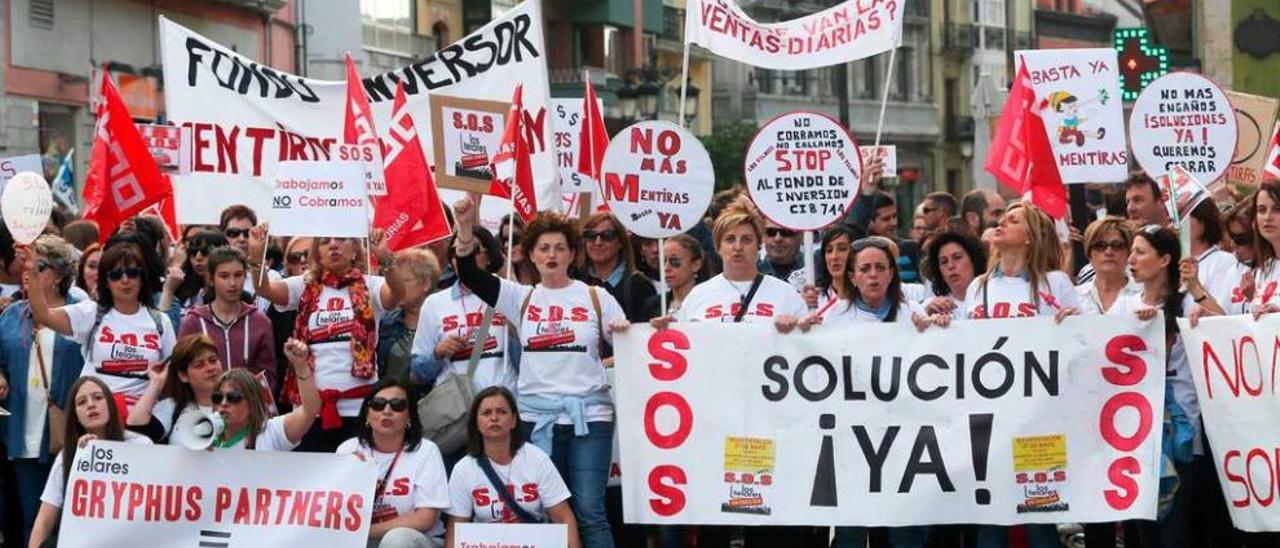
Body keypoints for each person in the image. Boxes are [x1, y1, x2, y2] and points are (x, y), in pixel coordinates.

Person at [452, 193, 625, 548]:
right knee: (546, 512)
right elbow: (470, 274)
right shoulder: (521, 297)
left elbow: (631, 342)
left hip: (589, 417)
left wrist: (639, 331)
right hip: (535, 419)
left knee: (590, 510)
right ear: (530, 254)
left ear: (572, 255)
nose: (551, 255)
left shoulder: (596, 296)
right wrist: (466, 229)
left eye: (560, 248)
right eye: (543, 247)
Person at [951, 202, 1078, 548]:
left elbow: (1082, 344)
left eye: (1014, 220)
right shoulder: (979, 286)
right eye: (1002, 218)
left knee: (1039, 520)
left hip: (1038, 422)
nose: (1002, 222)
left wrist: (1074, 324)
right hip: (987, 421)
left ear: (1029, 238)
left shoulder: (1055, 283)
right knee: (991, 523)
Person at [1108, 225, 1224, 548]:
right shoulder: (1123, 305)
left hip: (1181, 437)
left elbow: (1227, 328)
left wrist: (1197, 289)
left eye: (1140, 252)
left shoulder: (1186, 304)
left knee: (1175, 530)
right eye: (1131, 251)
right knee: (1146, 532)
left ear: (1164, 260)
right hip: (1135, 434)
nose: (1131, 259)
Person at [249, 227, 404, 452]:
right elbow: (263, 288)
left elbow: (397, 294)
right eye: (325, 241)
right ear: (316, 252)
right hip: (310, 409)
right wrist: (256, 255)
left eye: (341, 238)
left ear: (355, 250)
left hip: (359, 407)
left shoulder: (371, 284)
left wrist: (385, 257)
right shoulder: (303, 285)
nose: (333, 244)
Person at [25, 240, 176, 416]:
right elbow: (44, 315)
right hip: (95, 416)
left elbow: (171, 377)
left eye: (133, 273)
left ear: (142, 279)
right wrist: (33, 272)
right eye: (116, 275)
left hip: (140, 420)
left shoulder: (161, 322)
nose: (125, 280)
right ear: (106, 281)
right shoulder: (92, 313)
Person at [0, 235, 84, 546]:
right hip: (23, 435)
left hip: (69, 435)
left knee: (69, 525)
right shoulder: (11, 315)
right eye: (25, 262)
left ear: (61, 275)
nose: (28, 269)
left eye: (40, 265)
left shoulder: (82, 314)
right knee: (31, 523)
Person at [445, 386, 579, 548]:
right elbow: (456, 527)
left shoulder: (537, 460)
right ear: (476, 423)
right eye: (486, 413)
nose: (494, 418)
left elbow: (564, 518)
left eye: (501, 412)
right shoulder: (463, 469)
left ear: (514, 420)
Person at [28, 377, 153, 548]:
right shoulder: (69, 455)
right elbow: (44, 521)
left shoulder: (141, 445)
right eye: (81, 402)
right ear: (76, 416)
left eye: (98, 398)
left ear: (110, 403)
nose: (91, 405)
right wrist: (84, 460)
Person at [655, 197, 809, 331]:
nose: (738, 247)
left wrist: (796, 329)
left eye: (747, 239)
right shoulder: (697, 296)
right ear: (718, 246)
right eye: (730, 239)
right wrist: (663, 330)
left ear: (759, 245)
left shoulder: (786, 295)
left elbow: (808, 344)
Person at [337, 378, 450, 548]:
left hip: (413, 540)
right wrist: (349, 473)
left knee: (396, 540)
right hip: (359, 540)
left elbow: (425, 518)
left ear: (409, 416)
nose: (387, 411)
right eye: (378, 404)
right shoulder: (348, 449)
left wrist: (365, 531)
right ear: (367, 413)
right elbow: (333, 510)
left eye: (397, 405)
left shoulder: (426, 451)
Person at [413, 226, 517, 397]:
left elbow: (530, 364)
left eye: (473, 250)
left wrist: (515, 331)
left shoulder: (509, 294)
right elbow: (418, 373)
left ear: (489, 256)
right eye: (456, 251)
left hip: (501, 407)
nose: (463, 256)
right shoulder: (434, 304)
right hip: (456, 411)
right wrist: (437, 353)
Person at [177, 246, 277, 392]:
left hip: (248, 408)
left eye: (238, 275)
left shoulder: (260, 321)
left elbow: (269, 376)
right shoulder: (193, 322)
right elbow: (183, 371)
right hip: (205, 408)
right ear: (211, 279)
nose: (232, 283)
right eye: (224, 276)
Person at [210, 338, 319, 451]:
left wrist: (300, 366)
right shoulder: (205, 436)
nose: (223, 403)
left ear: (252, 402)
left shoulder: (272, 432)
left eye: (232, 397)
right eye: (218, 398)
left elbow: (309, 411)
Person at [126, 334, 224, 442]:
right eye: (199, 365)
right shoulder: (173, 407)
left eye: (213, 360)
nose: (210, 368)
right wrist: (156, 383)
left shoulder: (240, 403)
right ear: (183, 376)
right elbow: (136, 431)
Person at [377, 249, 440, 388]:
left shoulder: (444, 319)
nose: (395, 287)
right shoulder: (386, 322)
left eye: (403, 280)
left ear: (426, 283)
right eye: (393, 281)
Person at [579, 212, 657, 322]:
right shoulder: (575, 280)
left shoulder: (639, 285)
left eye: (607, 236)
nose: (598, 242)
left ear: (621, 242)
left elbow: (644, 334)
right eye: (591, 236)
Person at [1076, 218, 1139, 315]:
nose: (1108, 252)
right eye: (1100, 246)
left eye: (1117, 245)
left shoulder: (1144, 295)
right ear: (1089, 254)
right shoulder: (1074, 297)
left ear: (1129, 253)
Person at [920, 231, 987, 317]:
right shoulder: (932, 306)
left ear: (974, 261)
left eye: (957, 257)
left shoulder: (991, 297)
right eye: (944, 262)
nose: (950, 266)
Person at [642, 234, 707, 320]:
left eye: (675, 261)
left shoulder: (710, 300)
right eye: (663, 261)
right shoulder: (653, 305)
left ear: (696, 265)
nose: (666, 268)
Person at [170, 230, 230, 314]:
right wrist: (169, 290)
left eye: (205, 252)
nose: (198, 258)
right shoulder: (180, 288)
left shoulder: (231, 291)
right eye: (193, 252)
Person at [1247, 179, 1280, 317]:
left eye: (1277, 209)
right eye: (1261, 210)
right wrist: (1210, 317)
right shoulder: (1263, 269)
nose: (1267, 217)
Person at [757, 219, 805, 287]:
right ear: (763, 237)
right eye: (771, 232)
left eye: (786, 232)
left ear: (801, 236)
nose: (777, 239)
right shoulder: (752, 274)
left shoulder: (817, 270)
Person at [498, 214, 537, 285]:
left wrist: (512, 279)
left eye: (514, 239)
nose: (506, 245)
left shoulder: (547, 275)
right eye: (504, 240)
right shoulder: (499, 279)